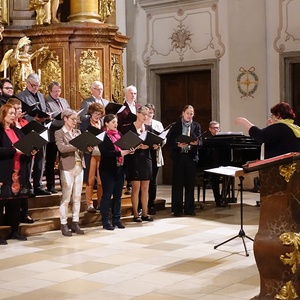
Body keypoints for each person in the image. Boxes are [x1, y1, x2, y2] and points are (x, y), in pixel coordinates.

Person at [0, 104, 34, 244]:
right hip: (4, 171)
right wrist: (14, 150)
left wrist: (31, 151)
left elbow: (24, 147)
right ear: (3, 115)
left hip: (19, 171)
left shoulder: (18, 132)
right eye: (11, 113)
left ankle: (15, 231)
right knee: (1, 203)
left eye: (15, 113)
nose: (14, 115)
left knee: (15, 204)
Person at [55, 109, 90, 237]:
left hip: (79, 165)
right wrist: (77, 146)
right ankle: (63, 223)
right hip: (67, 167)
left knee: (77, 196)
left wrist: (87, 147)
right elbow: (62, 148)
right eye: (72, 119)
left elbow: (82, 148)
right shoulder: (59, 133)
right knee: (66, 196)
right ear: (65, 119)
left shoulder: (77, 132)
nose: (75, 122)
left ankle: (75, 222)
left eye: (76, 119)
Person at [17, 73, 51, 196]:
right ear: (27, 84)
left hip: (41, 129)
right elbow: (21, 114)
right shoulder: (20, 96)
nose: (35, 88)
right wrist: (34, 119)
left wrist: (46, 116)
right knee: (30, 159)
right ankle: (28, 186)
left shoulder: (41, 96)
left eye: (37, 86)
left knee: (41, 159)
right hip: (29, 129)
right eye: (33, 85)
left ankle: (39, 185)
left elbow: (42, 110)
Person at [99, 114, 133, 230]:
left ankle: (117, 219)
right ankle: (105, 221)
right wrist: (120, 153)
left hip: (120, 168)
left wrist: (129, 151)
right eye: (113, 122)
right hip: (107, 169)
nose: (116, 124)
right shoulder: (103, 136)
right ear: (106, 123)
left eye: (116, 122)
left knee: (118, 196)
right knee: (107, 195)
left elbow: (124, 147)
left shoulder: (119, 135)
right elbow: (104, 152)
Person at [126, 106, 159, 222]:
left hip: (146, 158)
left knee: (145, 187)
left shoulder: (149, 128)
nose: (145, 116)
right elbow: (125, 143)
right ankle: (136, 214)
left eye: (147, 114)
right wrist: (136, 146)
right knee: (136, 187)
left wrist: (155, 145)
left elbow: (156, 141)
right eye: (143, 114)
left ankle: (145, 213)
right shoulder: (130, 128)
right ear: (137, 114)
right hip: (134, 159)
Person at [167, 105, 202, 217]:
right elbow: (170, 142)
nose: (189, 115)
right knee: (178, 184)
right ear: (183, 113)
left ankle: (189, 208)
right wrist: (178, 145)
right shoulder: (176, 126)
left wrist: (197, 143)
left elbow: (200, 140)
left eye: (191, 114)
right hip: (179, 157)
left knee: (190, 184)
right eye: (187, 113)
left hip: (190, 157)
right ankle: (177, 209)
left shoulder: (196, 126)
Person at [235, 102, 300, 159]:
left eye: (272, 116)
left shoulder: (280, 127)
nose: (271, 118)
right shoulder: (294, 127)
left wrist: (243, 121)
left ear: (278, 116)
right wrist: (271, 126)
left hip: (279, 168)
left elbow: (260, 135)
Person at [6, 97, 35, 223]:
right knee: (9, 195)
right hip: (10, 164)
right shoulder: (5, 129)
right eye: (15, 110)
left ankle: (22, 216)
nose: (18, 112)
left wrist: (33, 148)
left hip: (23, 161)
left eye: (19, 109)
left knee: (23, 189)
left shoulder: (22, 124)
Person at [45, 81, 70, 193]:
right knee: (50, 160)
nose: (57, 93)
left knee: (64, 160)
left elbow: (69, 113)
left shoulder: (63, 101)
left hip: (64, 135)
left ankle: (64, 183)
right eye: (55, 91)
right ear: (50, 91)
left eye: (59, 91)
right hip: (52, 135)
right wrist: (64, 122)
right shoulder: (46, 101)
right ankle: (50, 185)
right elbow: (49, 119)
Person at [80, 102, 105, 213]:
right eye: (95, 113)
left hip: (100, 153)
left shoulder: (102, 123)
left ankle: (100, 202)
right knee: (90, 180)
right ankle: (89, 203)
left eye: (99, 114)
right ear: (91, 112)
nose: (97, 116)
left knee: (100, 181)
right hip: (90, 153)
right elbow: (82, 136)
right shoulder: (85, 123)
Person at [117, 85, 141, 195]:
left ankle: (135, 182)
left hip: (137, 136)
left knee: (136, 161)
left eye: (135, 93)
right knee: (128, 161)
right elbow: (119, 124)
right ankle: (128, 184)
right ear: (126, 94)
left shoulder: (139, 107)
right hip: (126, 136)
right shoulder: (122, 108)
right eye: (131, 93)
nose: (133, 95)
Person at [144, 103, 165, 215]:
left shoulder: (158, 124)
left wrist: (159, 144)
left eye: (152, 112)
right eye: (148, 113)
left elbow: (163, 138)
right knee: (143, 181)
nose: (150, 115)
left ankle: (151, 204)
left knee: (153, 181)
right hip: (144, 154)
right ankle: (142, 205)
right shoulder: (141, 124)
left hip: (155, 154)